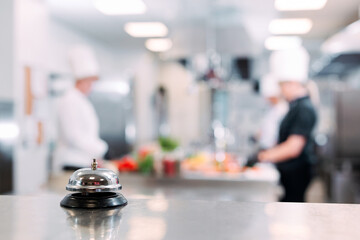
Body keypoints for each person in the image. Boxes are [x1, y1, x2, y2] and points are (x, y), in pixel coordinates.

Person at [257, 47, 317, 202]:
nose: (281, 91)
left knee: (293, 215)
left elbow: (293, 147)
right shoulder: (294, 107)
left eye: (282, 86)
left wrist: (263, 156)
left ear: (293, 83)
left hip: (297, 172)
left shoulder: (304, 108)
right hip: (290, 171)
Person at [53, 45, 108, 172]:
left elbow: (87, 135)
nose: (92, 86)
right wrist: (101, 148)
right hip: (72, 163)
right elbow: (74, 137)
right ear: (81, 80)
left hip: (84, 163)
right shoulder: (69, 100)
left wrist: (96, 156)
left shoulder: (81, 101)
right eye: (90, 82)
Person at [258, 73, 288, 150]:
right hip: (265, 147)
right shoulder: (270, 108)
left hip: (274, 148)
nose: (266, 100)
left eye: (268, 97)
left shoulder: (283, 109)